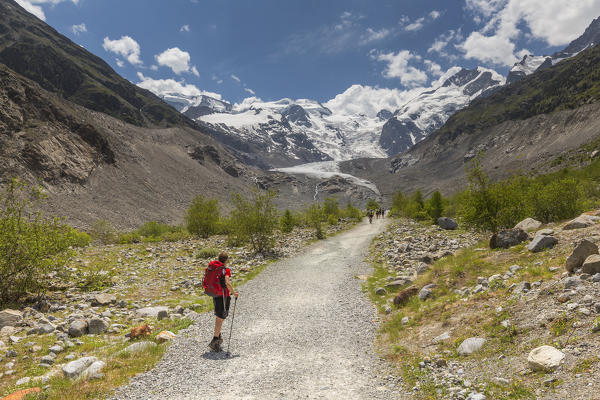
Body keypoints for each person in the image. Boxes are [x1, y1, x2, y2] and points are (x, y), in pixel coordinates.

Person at [207, 252, 239, 352]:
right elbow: (227, 283)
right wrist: (234, 293)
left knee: (218, 316)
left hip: (215, 294)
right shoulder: (225, 270)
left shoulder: (215, 269)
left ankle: (218, 336)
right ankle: (215, 340)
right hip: (223, 296)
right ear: (226, 260)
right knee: (221, 318)